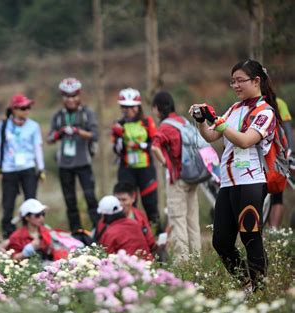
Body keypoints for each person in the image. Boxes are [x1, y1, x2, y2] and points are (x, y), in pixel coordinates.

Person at [189, 59, 279, 293]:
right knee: (221, 241)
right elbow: (211, 136)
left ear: (257, 81)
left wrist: (217, 121)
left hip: (251, 182)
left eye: (241, 81)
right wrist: (202, 122)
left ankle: (259, 292)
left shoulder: (265, 111)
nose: (236, 86)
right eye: (233, 82)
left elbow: (245, 140)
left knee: (251, 238)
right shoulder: (234, 108)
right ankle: (246, 284)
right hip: (228, 182)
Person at [151, 91, 201, 261]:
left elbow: (155, 147)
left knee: (177, 220)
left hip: (177, 179)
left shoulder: (165, 126)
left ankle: (183, 264)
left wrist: (165, 163)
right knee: (192, 221)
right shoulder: (183, 121)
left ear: (157, 108)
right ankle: (196, 261)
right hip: (193, 178)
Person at [47, 78, 99, 232]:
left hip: (83, 162)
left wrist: (78, 131)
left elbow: (95, 135)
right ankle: (76, 233)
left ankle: (98, 230)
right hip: (65, 164)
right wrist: (60, 133)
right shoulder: (58, 116)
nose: (70, 100)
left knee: (90, 198)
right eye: (67, 96)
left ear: (79, 95)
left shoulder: (86, 113)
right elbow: (49, 138)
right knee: (70, 201)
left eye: (74, 96)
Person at [0, 93, 45, 239]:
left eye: (28, 107)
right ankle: (8, 232)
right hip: (9, 169)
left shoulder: (34, 126)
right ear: (14, 109)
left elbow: (37, 148)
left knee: (31, 201)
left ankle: (31, 231)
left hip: (28, 168)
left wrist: (41, 168)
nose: (26, 111)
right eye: (22, 108)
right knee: (8, 203)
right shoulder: (3, 125)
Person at [111, 88, 161, 231]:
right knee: (127, 206)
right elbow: (116, 150)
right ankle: (131, 233)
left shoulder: (147, 122)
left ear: (137, 107)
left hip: (145, 169)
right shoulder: (118, 124)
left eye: (130, 106)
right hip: (127, 169)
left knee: (151, 205)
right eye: (124, 106)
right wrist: (119, 137)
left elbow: (155, 143)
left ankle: (158, 237)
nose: (127, 110)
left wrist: (139, 145)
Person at [94, 195, 153, 260]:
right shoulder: (135, 224)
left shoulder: (110, 233)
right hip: (147, 264)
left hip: (129, 267)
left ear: (105, 215)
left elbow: (105, 257)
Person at [268, 97, 293, 228]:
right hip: (273, 153)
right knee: (273, 194)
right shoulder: (278, 102)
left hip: (277, 153)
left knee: (276, 193)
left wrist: (289, 150)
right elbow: (288, 129)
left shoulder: (279, 103)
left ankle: (273, 230)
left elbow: (287, 129)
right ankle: (271, 230)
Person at [113, 182, 156, 254]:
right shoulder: (107, 217)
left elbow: (150, 240)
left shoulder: (140, 217)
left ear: (133, 198)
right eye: (118, 200)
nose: (120, 204)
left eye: (124, 200)